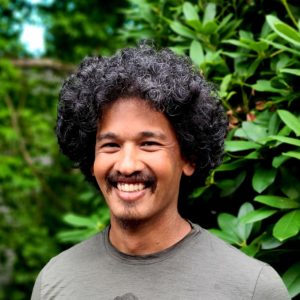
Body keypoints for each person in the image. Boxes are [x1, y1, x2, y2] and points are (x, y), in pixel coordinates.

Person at [31, 42, 290, 300]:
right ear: (91, 158)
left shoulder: (252, 288)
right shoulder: (54, 282)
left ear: (188, 157)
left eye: (149, 144)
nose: (127, 165)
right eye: (111, 145)